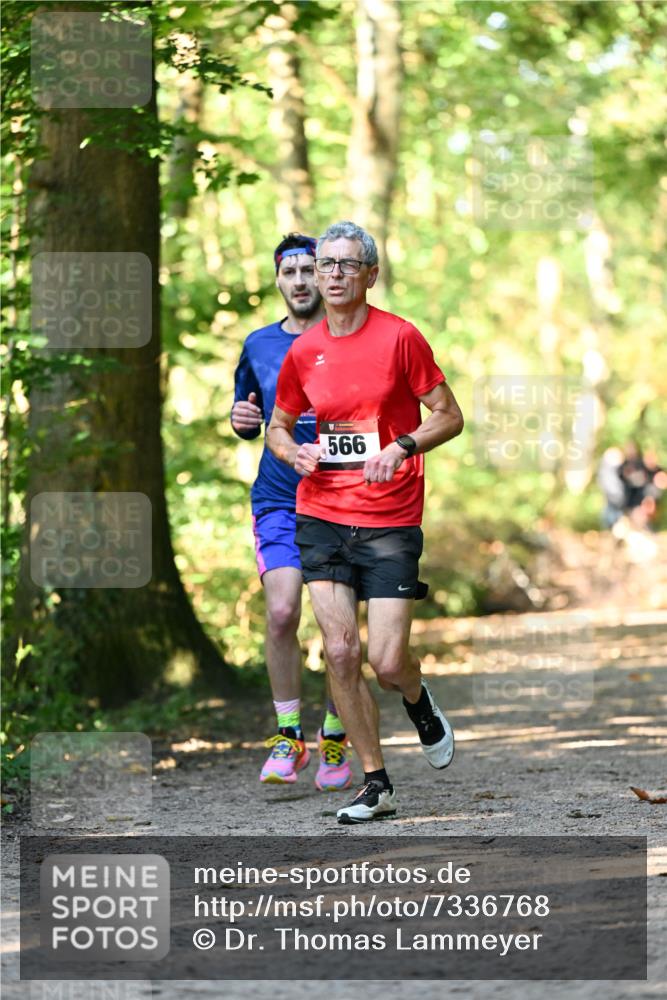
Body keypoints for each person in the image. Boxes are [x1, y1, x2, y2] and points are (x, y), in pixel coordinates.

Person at [267, 220, 464, 823]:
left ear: (370, 275)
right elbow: (278, 424)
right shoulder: (304, 351)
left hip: (390, 519)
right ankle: (375, 782)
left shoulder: (401, 338)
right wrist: (291, 451)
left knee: (385, 660)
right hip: (321, 512)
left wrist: (400, 446)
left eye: (345, 265)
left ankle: (416, 694)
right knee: (341, 650)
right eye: (324, 264)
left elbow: (449, 416)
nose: (331, 275)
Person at [231, 233, 352, 791]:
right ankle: (287, 736)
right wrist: (240, 421)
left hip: (343, 500)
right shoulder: (257, 344)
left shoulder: (350, 338)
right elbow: (248, 415)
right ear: (278, 281)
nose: (301, 281)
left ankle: (334, 736)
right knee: (281, 613)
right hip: (279, 498)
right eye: (291, 272)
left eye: (311, 270)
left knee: (338, 631)